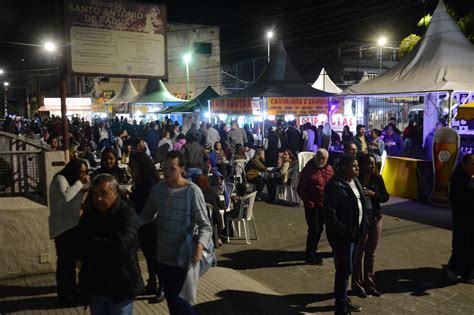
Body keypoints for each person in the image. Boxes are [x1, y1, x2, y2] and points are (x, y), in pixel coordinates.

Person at [139, 151, 212, 315]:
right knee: (174, 304)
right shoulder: (157, 190)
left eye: (171, 169)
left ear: (182, 169)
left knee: (178, 301)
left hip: (185, 257)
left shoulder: (192, 191)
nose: (166, 172)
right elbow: (147, 214)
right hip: (163, 256)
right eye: (164, 168)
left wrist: (199, 248)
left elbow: (205, 225)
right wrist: (131, 223)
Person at [77, 174, 144, 314]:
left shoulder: (127, 213)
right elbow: (81, 245)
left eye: (104, 193)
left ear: (115, 193)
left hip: (122, 284)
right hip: (96, 285)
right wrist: (108, 245)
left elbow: (124, 244)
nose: (99, 198)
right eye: (95, 194)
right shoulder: (89, 215)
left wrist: (96, 246)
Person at [324, 155, 366, 314]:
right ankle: (340, 305)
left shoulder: (355, 182)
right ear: (343, 167)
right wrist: (344, 230)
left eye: (357, 165)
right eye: (354, 166)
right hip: (343, 237)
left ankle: (344, 299)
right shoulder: (334, 186)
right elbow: (330, 214)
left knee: (349, 269)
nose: (358, 168)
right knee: (343, 270)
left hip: (356, 234)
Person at [48, 159, 90, 306]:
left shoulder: (73, 182)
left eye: (85, 172)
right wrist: (80, 183)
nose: (83, 175)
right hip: (62, 229)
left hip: (72, 226)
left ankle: (71, 292)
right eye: (81, 172)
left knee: (71, 263)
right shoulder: (60, 180)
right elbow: (66, 197)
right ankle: (64, 296)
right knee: (65, 264)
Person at [128, 152, 164, 303]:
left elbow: (148, 204)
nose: (132, 169)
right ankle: (152, 283)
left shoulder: (149, 182)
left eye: (134, 166)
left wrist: (131, 195)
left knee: (154, 256)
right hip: (143, 222)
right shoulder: (142, 180)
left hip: (151, 223)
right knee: (149, 255)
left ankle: (162, 287)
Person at [351, 154, 389, 298]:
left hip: (375, 216)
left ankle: (370, 284)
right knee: (359, 252)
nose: (372, 166)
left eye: (374, 164)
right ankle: (357, 285)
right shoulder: (356, 179)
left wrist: (374, 194)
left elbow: (385, 196)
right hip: (361, 217)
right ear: (362, 165)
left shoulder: (377, 179)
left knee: (370, 252)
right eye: (369, 164)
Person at [297, 149, 334, 265]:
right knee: (314, 229)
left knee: (320, 228)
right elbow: (301, 188)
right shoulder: (308, 169)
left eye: (323, 158)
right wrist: (308, 202)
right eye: (319, 157)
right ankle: (310, 254)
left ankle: (314, 249)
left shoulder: (329, 169)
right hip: (312, 205)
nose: (321, 160)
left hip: (324, 204)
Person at [446, 153, 474, 283]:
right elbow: (457, 198)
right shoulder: (459, 176)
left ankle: (466, 271)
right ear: (465, 163)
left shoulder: (468, 175)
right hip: (463, 216)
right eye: (472, 164)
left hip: (468, 216)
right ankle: (455, 269)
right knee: (461, 244)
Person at [194, 174, 225, 247]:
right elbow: (220, 205)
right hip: (213, 219)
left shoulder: (195, 193)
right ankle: (218, 238)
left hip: (198, 219)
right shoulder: (212, 191)